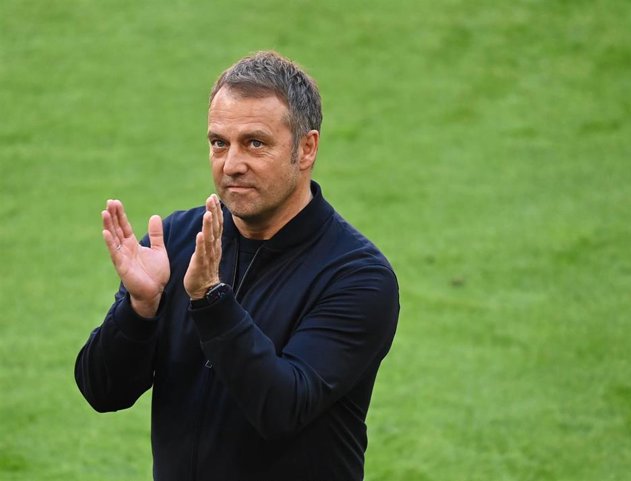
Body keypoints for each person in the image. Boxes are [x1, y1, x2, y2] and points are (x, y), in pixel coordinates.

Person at [74, 51, 399, 481]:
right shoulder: (178, 239)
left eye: (255, 143)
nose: (231, 165)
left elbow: (282, 407)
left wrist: (211, 299)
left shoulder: (357, 278)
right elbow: (102, 391)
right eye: (218, 143)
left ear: (306, 149)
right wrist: (139, 307)